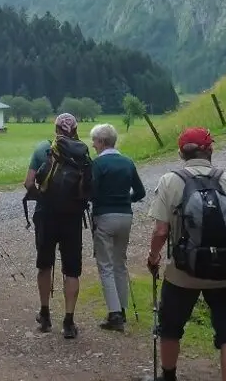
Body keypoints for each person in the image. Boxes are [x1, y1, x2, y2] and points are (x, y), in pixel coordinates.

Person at [147, 128, 226, 381]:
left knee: (170, 327)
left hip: (183, 271)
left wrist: (153, 257)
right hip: (225, 272)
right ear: (210, 150)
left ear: (181, 153)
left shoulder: (170, 181)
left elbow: (161, 230)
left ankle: (168, 376)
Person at [23, 112, 92, 339]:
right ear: (75, 129)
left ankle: (44, 314)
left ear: (55, 128)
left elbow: (28, 182)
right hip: (72, 216)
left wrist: (43, 197)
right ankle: (69, 321)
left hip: (46, 214)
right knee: (71, 270)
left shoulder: (43, 148)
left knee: (45, 264)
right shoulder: (83, 151)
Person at [88, 123, 145, 331]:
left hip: (104, 215)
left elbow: (91, 193)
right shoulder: (128, 162)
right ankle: (122, 308)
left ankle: (114, 314)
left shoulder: (98, 165)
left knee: (106, 265)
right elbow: (140, 192)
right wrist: (125, 198)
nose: (93, 145)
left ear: (102, 142)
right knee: (120, 264)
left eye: (94, 141)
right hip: (125, 215)